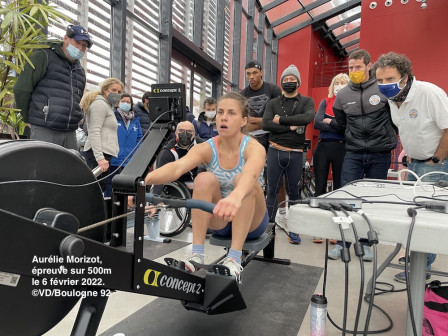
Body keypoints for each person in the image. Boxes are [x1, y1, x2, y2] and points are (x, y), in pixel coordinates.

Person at [144, 92, 267, 283]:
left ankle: (234, 258)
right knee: (203, 178)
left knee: (242, 179)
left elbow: (251, 175)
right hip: (221, 220)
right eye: (220, 112)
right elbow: (176, 167)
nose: (223, 117)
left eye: (231, 113)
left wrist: (236, 196)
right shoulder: (206, 147)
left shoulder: (253, 147)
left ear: (244, 120)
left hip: (252, 221)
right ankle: (196, 255)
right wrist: (141, 180)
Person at [374, 51, 448, 282]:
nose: (384, 84)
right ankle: (417, 258)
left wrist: (435, 160)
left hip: (434, 163)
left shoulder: (429, 93)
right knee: (412, 214)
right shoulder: (393, 99)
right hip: (414, 162)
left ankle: (421, 268)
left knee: (425, 219)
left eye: (390, 79)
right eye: (380, 80)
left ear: (405, 77)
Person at [328, 49, 397, 261]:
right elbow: (341, 122)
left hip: (380, 152)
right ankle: (342, 242)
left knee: (373, 200)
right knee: (347, 198)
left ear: (369, 66)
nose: (354, 71)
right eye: (351, 67)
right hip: (354, 152)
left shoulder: (382, 89)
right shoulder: (343, 95)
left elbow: (396, 117)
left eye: (358, 67)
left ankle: (366, 244)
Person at [13, 25, 93, 150]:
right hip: (45, 128)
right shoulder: (43, 56)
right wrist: (27, 118)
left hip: (69, 132)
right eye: (77, 42)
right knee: (44, 167)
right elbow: (21, 89)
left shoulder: (80, 71)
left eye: (84, 46)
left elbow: (77, 99)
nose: (80, 48)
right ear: (66, 39)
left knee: (67, 169)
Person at [262, 64, 315, 244]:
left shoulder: (306, 101)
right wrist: (290, 127)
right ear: (281, 82)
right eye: (286, 79)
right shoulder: (273, 102)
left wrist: (281, 121)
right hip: (275, 151)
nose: (289, 82)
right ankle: (269, 229)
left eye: (292, 79)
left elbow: (307, 118)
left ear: (298, 82)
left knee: (295, 193)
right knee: (272, 191)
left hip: (296, 154)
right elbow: (266, 124)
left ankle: (294, 229)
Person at [241, 60, 288, 223]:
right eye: (248, 74)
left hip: (274, 137)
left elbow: (278, 117)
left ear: (261, 73)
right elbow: (242, 121)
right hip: (253, 138)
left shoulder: (273, 89)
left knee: (277, 176)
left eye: (254, 73)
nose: (251, 77)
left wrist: (256, 120)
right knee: (252, 174)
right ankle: (254, 209)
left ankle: (282, 212)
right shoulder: (243, 93)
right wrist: (264, 121)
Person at [312, 73, 349, 243]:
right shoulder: (325, 102)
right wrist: (336, 124)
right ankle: (318, 229)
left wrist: (329, 122)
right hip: (323, 147)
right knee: (319, 187)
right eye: (337, 83)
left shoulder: (349, 104)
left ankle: (336, 231)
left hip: (342, 148)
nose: (339, 85)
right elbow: (317, 122)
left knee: (339, 189)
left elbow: (347, 128)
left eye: (343, 83)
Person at [80, 78, 124, 190]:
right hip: (98, 154)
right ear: (105, 90)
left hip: (103, 153)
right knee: (95, 189)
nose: (117, 94)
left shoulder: (108, 106)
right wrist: (100, 158)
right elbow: (94, 131)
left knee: (100, 189)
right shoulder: (99, 104)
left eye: (119, 92)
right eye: (113, 90)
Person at [104, 93, 143, 197]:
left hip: (129, 161)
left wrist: (135, 153)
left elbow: (140, 138)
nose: (126, 103)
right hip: (114, 159)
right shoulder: (112, 116)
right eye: (123, 101)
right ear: (118, 103)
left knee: (125, 187)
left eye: (128, 102)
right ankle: (108, 208)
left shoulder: (135, 120)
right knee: (110, 185)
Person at [152, 121, 204, 195]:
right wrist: (155, 201)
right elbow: (159, 177)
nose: (185, 134)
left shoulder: (202, 145)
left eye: (189, 131)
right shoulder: (168, 151)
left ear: (194, 134)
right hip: (178, 185)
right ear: (176, 133)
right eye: (181, 130)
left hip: (198, 182)